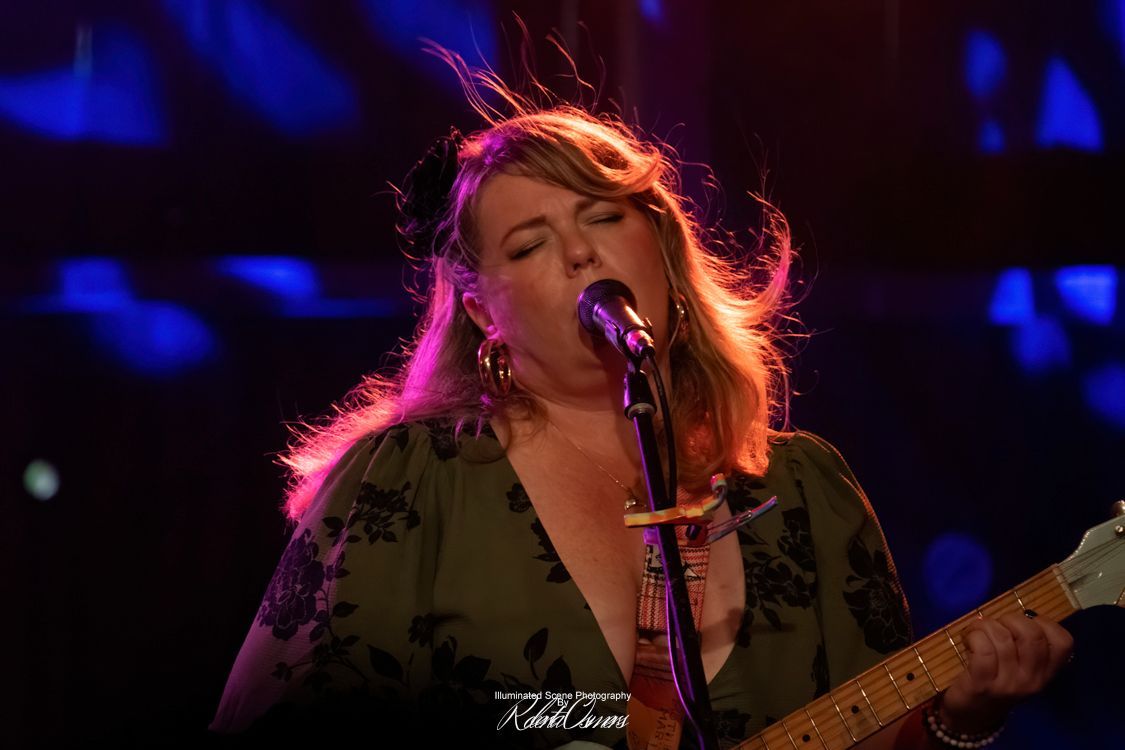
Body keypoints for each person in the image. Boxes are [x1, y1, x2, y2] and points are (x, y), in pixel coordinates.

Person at [207, 55, 1073, 750]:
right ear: (482, 312)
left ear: (662, 247)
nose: (581, 254)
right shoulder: (412, 482)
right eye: (531, 242)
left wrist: (962, 718)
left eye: (603, 217)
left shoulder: (805, 493)